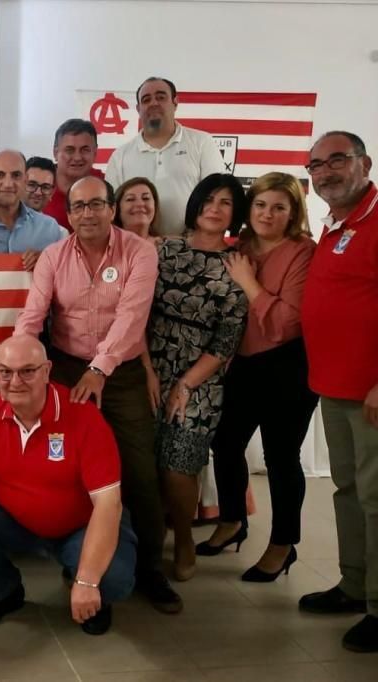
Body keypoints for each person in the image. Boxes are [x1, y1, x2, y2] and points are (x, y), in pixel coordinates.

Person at [14, 175, 183, 614]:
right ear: (68, 215)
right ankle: (80, 561)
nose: (87, 214)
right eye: (79, 207)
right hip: (67, 370)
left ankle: (149, 569)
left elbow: (131, 318)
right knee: (69, 468)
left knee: (139, 473)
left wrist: (100, 369)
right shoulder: (54, 255)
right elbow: (33, 315)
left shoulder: (139, 252)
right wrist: (17, 362)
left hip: (121, 372)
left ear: (112, 208)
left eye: (96, 205)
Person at [0, 335, 136, 635]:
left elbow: (108, 504)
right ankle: (3, 593)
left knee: (114, 579)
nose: (15, 381)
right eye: (5, 372)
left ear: (47, 370)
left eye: (27, 371)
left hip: (80, 526)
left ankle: (90, 593)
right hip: (15, 520)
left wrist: (88, 579)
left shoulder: (84, 417)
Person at [197, 172, 317, 583]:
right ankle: (232, 520)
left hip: (289, 366)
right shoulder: (240, 246)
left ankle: (283, 544)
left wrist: (249, 283)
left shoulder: (303, 251)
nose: (268, 213)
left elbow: (287, 323)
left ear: (293, 212)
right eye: (261, 205)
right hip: (245, 364)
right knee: (225, 443)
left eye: (279, 207)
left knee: (280, 458)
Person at [299, 131, 378, 653]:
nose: (324, 172)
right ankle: (355, 586)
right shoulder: (335, 227)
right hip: (336, 386)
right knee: (349, 492)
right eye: (315, 165)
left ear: (364, 163)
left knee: (377, 500)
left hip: (371, 393)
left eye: (336, 160)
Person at [149, 173, 248, 582]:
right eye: (208, 199)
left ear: (234, 213)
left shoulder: (237, 264)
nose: (214, 207)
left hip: (200, 379)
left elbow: (227, 341)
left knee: (179, 464)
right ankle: (146, 539)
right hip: (147, 367)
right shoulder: (163, 250)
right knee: (142, 461)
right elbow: (135, 313)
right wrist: (149, 373)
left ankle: (185, 539)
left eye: (225, 202)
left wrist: (185, 385)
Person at [106, 77, 227, 237]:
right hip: (136, 248)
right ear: (138, 108)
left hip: (191, 248)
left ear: (175, 102)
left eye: (161, 97)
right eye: (146, 99)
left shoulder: (202, 143)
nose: (153, 103)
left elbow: (217, 197)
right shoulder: (120, 156)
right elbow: (110, 209)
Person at [0, 149, 67, 270]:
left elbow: (65, 278)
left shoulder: (50, 229)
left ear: (25, 180)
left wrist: (47, 262)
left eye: (16, 175)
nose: (8, 184)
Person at [43, 119, 104, 230]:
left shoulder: (106, 185)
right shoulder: (37, 188)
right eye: (69, 150)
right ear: (55, 153)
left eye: (85, 150)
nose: (77, 158)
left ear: (95, 153)